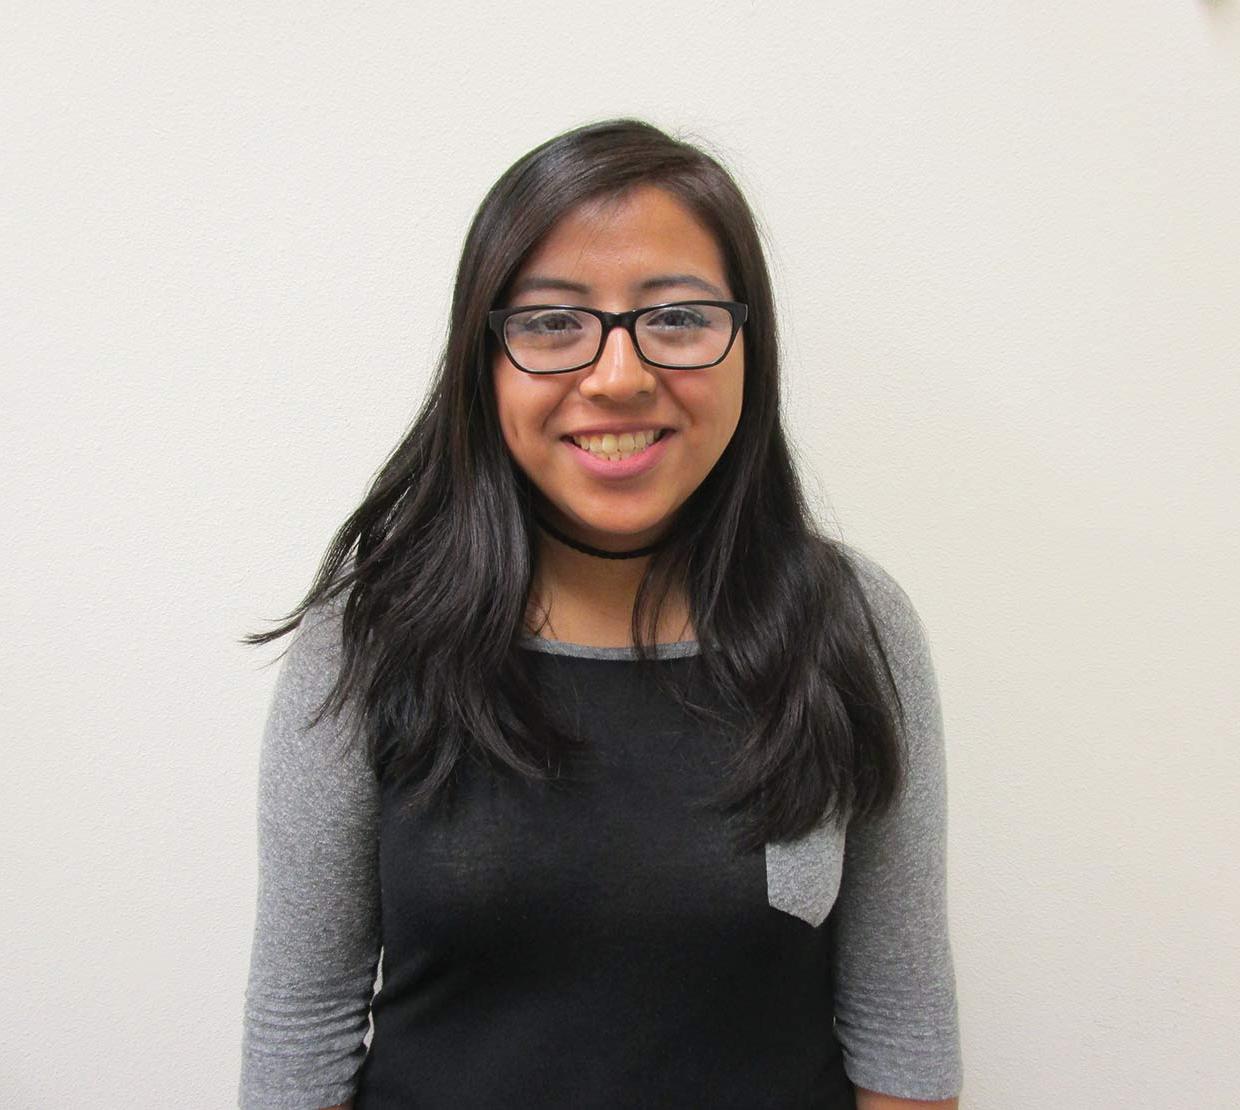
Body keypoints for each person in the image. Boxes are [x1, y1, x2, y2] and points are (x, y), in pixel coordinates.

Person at [237, 117, 963, 1110]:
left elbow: (902, 1035)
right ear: (481, 364)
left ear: (748, 348)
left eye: (676, 318)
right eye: (550, 323)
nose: (617, 376)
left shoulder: (852, 628)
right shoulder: (367, 641)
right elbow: (300, 1033)